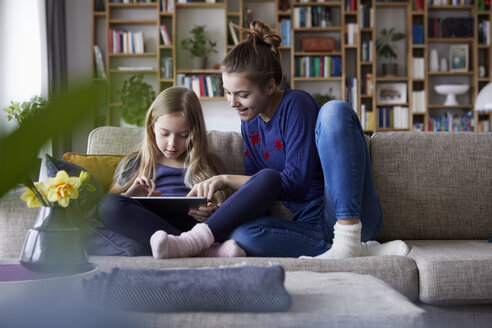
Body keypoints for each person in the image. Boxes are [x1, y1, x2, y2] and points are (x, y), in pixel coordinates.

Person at [150, 22, 409, 259]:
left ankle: (349, 239)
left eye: (242, 94)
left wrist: (225, 179)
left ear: (270, 86)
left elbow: (294, 185)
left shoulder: (297, 104)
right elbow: (260, 192)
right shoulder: (249, 122)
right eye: (227, 92)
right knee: (242, 235)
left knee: (334, 111)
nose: (232, 102)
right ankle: (356, 252)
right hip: (308, 228)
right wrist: (217, 212)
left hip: (344, 215)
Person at [97, 86, 245, 258]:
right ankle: (202, 251)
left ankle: (189, 245)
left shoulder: (209, 164)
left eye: (183, 135)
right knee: (109, 205)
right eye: (164, 134)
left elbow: (228, 209)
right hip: (151, 231)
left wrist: (211, 213)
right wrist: (131, 197)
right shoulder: (135, 163)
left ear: (195, 133)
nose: (172, 144)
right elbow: (107, 210)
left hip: (195, 229)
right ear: (152, 128)